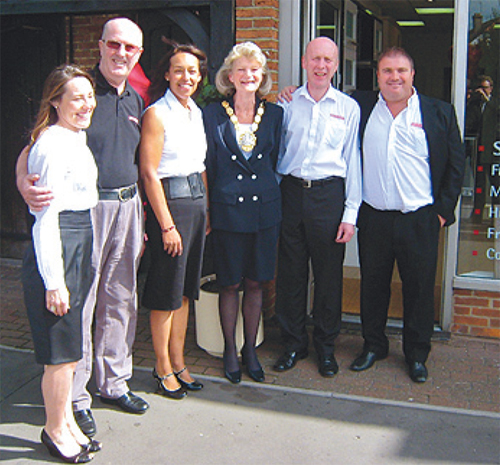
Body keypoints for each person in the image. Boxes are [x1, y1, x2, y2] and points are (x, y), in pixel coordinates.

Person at [16, 18, 149, 437]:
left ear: (139, 54)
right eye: (115, 44)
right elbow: (32, 147)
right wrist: (23, 182)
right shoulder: (77, 92)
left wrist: (142, 216)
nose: (122, 53)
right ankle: (74, 398)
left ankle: (113, 382)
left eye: (131, 48)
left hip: (128, 207)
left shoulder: (136, 100)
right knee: (82, 304)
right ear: (101, 45)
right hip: (85, 213)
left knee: (121, 299)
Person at [349, 47, 465, 382]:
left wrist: (442, 212)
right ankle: (373, 345)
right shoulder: (361, 106)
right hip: (375, 217)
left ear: (412, 74)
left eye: (401, 70)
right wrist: (289, 92)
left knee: (419, 289)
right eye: (387, 70)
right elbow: (322, 96)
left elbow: (456, 167)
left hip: (420, 219)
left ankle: (417, 354)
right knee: (372, 286)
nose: (394, 77)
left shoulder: (438, 112)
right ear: (378, 76)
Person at [22, 64, 101, 463]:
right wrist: (54, 280)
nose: (86, 104)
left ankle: (66, 419)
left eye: (89, 96)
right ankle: (54, 430)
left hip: (80, 237)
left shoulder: (75, 138)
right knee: (59, 350)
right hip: (59, 243)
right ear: (56, 102)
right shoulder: (50, 144)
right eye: (76, 97)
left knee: (71, 345)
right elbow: (46, 218)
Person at [273, 37, 362, 378]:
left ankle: (326, 348)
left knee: (328, 278)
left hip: (329, 196)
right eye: (315, 59)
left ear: (336, 65)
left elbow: (353, 161)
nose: (321, 66)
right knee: (291, 276)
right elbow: (276, 153)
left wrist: (350, 214)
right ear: (304, 61)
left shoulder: (348, 108)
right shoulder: (286, 104)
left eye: (328, 60)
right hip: (291, 194)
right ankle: (293, 344)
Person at [203, 42, 283, 383]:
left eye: (255, 69)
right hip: (227, 213)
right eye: (241, 69)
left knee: (255, 283)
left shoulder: (276, 114)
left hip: (264, 212)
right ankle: (230, 351)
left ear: (261, 75)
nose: (248, 75)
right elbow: (207, 164)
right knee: (229, 284)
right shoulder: (212, 113)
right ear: (230, 75)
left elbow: (277, 159)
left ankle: (250, 349)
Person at [140, 42, 208, 398]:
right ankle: (161, 366)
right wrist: (166, 225)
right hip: (171, 207)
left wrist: (206, 210)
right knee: (166, 293)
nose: (187, 77)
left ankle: (180, 363)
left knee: (184, 293)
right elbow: (150, 173)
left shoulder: (195, 111)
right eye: (179, 70)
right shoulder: (157, 113)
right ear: (166, 74)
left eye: (193, 71)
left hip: (196, 205)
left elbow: (200, 166)